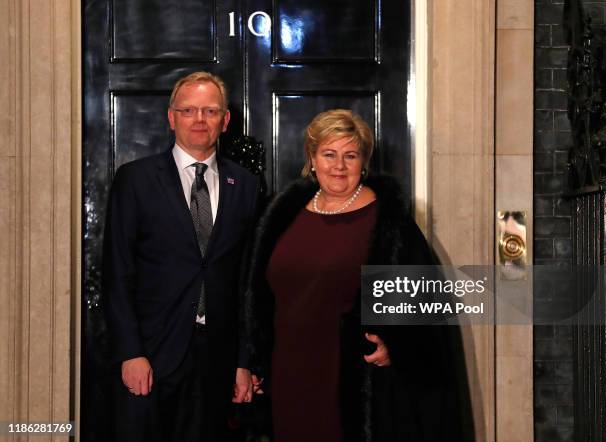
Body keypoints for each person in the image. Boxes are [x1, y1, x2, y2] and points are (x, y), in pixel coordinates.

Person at [245, 109, 474, 441]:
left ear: (363, 162)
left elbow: (426, 302)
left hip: (349, 380)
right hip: (287, 371)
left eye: (350, 155)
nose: (339, 165)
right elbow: (255, 292)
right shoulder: (282, 213)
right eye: (329, 154)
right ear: (312, 159)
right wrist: (253, 357)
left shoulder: (386, 220)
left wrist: (396, 343)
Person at [103, 71, 259, 442]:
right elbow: (116, 272)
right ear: (171, 117)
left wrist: (243, 361)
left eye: (209, 111)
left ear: (225, 120)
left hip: (216, 359)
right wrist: (130, 352)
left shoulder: (247, 185)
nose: (199, 120)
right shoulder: (135, 179)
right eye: (188, 110)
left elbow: (246, 281)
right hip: (152, 354)